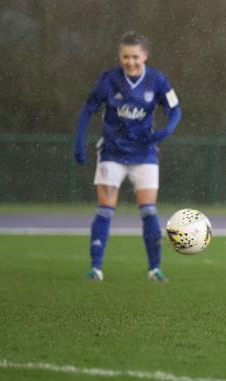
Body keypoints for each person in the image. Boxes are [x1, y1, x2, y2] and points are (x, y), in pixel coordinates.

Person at [74, 31, 182, 282]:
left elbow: (175, 108)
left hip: (144, 153)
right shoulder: (109, 80)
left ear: (145, 56)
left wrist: (167, 129)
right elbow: (88, 108)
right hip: (112, 152)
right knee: (105, 210)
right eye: (125, 57)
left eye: (135, 57)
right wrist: (79, 141)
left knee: (148, 210)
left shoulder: (157, 80)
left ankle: (154, 269)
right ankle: (96, 268)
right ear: (119, 57)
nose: (130, 62)